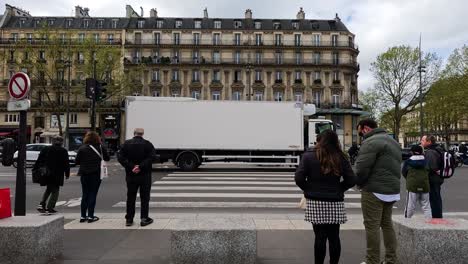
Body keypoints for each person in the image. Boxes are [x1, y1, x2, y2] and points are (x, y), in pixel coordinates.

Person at [295, 130, 356, 264]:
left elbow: (298, 177)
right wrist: (339, 189)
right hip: (335, 201)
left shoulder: (308, 156)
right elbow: (351, 180)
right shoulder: (341, 156)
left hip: (315, 201)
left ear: (319, 141)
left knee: (319, 237)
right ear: (335, 141)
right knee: (334, 237)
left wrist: (309, 189)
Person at [355, 119, 401, 264]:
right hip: (392, 189)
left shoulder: (371, 142)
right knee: (387, 224)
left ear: (366, 129)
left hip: (374, 189)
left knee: (371, 226)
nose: (361, 135)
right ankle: (391, 260)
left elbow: (361, 169)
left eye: (360, 132)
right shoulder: (393, 141)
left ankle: (372, 261)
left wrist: (358, 183)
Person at [118, 128, 156, 227]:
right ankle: (144, 218)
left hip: (131, 175)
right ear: (142, 134)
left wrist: (132, 166)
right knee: (145, 198)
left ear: (134, 134)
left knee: (130, 197)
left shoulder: (126, 144)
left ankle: (129, 219)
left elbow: (120, 157)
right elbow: (152, 157)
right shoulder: (147, 144)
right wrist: (140, 166)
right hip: (145, 175)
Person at [75, 131, 110, 223]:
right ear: (97, 138)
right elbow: (107, 158)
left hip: (84, 174)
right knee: (93, 194)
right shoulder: (101, 147)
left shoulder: (82, 148)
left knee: (85, 194)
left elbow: (77, 161)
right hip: (96, 174)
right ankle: (90, 216)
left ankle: (83, 216)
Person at [34, 136, 70, 214]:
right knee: (55, 191)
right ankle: (50, 207)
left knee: (49, 189)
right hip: (57, 174)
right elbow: (66, 163)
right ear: (61, 142)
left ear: (53, 142)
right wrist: (67, 174)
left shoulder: (46, 149)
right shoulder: (63, 151)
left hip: (46, 173)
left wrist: (35, 170)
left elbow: (39, 160)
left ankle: (42, 204)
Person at [402, 145, 431, 218]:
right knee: (426, 206)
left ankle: (407, 221)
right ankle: (429, 222)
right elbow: (429, 171)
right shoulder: (426, 161)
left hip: (412, 185)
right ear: (421, 152)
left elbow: (404, 172)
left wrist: (409, 178)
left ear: (412, 152)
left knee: (410, 205)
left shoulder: (408, 162)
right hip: (425, 185)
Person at [420, 135, 444, 218]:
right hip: (438, 177)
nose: (421, 142)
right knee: (436, 197)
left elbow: (430, 167)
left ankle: (436, 217)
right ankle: (437, 215)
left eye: (423, 140)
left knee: (434, 198)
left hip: (433, 178)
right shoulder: (439, 149)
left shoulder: (430, 152)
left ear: (429, 142)